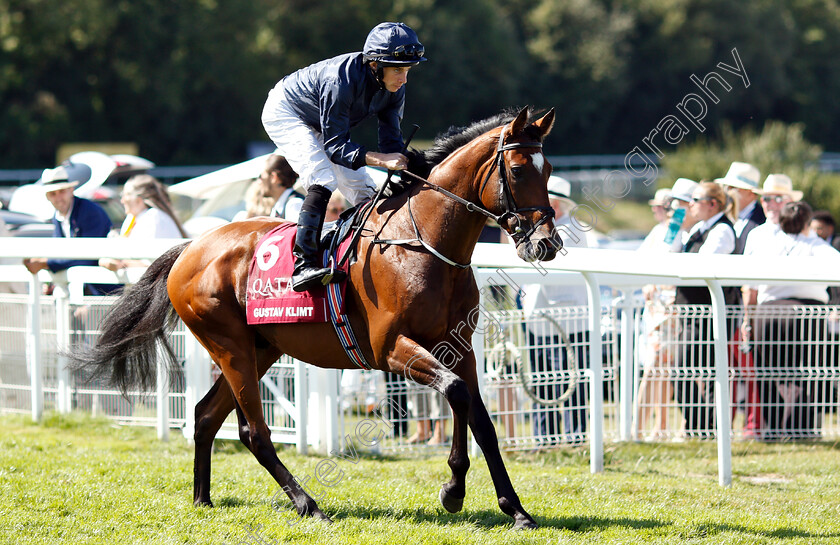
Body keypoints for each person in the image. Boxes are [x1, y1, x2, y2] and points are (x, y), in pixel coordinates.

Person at [261, 22, 426, 292]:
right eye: (398, 69)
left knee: (366, 191)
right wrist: (382, 161)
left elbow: (391, 144)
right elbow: (337, 148)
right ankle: (303, 265)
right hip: (287, 110)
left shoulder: (395, 89)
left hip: (321, 121)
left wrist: (419, 166)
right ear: (375, 65)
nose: (404, 78)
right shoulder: (340, 80)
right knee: (323, 177)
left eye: (407, 70)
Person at [743, 200, 837, 440]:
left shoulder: (767, 245)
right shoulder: (818, 247)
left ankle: (773, 429)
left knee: (769, 372)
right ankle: (801, 429)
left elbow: (750, 288)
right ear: (808, 222)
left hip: (769, 312)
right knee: (806, 371)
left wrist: (748, 320)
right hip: (808, 314)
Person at [521, 176, 590, 446]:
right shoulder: (540, 228)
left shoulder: (572, 228)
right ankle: (544, 438)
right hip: (538, 315)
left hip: (568, 320)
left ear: (556, 203)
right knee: (542, 379)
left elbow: (548, 268)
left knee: (571, 380)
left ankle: (575, 437)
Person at [673, 181, 737, 438]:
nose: (690, 205)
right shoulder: (698, 228)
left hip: (709, 315)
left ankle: (709, 430)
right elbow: (670, 253)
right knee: (687, 372)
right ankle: (701, 427)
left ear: (713, 204)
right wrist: (677, 228)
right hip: (692, 314)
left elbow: (701, 270)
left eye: (695, 200)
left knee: (705, 373)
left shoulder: (722, 231)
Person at [22, 165, 116, 295]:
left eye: (62, 191)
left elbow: (88, 256)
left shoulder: (90, 211)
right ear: (47, 197)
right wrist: (51, 283)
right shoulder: (58, 217)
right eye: (53, 194)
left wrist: (46, 263)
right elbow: (59, 252)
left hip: (106, 291)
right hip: (86, 290)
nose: (58, 197)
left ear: (71, 190)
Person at [98, 174, 188, 271]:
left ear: (139, 199)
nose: (122, 200)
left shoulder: (154, 217)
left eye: (127, 194)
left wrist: (121, 263)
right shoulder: (132, 219)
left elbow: (154, 264)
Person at [715, 162, 765, 254]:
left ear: (751, 194)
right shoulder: (720, 215)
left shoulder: (763, 221)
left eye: (733, 188)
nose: (727, 192)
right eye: (727, 187)